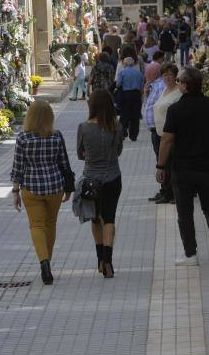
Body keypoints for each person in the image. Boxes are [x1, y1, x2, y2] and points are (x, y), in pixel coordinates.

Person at [156, 67, 209, 266]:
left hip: (182, 168)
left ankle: (191, 254)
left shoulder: (175, 109)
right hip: (208, 165)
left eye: (180, 81)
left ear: (185, 86)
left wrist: (160, 165)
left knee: (185, 212)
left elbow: (167, 140)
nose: (178, 84)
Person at [11, 100, 73, 285]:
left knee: (36, 225)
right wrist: (68, 188)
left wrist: (15, 191)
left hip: (31, 187)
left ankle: (43, 261)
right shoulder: (57, 136)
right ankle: (48, 261)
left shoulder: (23, 138)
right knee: (50, 224)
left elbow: (17, 167)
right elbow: (64, 162)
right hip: (55, 185)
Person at [77, 90, 124, 278]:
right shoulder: (117, 127)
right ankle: (108, 260)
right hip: (113, 177)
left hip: (91, 180)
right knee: (110, 218)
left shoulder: (84, 127)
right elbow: (118, 150)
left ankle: (99, 259)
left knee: (96, 219)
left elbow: (80, 154)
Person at [152, 63, 182, 204]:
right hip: (159, 134)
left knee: (173, 166)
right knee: (164, 164)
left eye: (170, 74)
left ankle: (176, 194)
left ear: (175, 76)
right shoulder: (164, 90)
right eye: (164, 75)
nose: (167, 77)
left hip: (172, 135)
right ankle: (167, 192)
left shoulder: (179, 92)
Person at [142, 61, 166, 202]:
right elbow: (148, 104)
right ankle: (164, 189)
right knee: (159, 160)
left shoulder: (160, 85)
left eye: (148, 73)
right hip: (154, 130)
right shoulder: (153, 85)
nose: (146, 75)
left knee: (162, 161)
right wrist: (146, 93)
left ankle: (166, 191)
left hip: (159, 130)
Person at [116, 55, 144, 141]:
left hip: (126, 95)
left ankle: (123, 132)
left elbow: (118, 84)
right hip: (136, 95)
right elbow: (141, 85)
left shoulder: (122, 72)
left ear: (125, 63)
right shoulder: (138, 72)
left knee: (124, 114)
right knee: (135, 115)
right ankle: (134, 135)